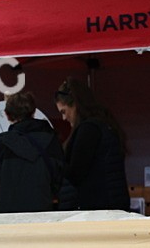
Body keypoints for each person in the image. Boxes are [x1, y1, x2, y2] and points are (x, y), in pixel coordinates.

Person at [0, 91, 63, 213]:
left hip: (6, 219)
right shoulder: (51, 142)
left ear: (7, 115)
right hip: (42, 217)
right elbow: (61, 184)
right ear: (33, 112)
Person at [53, 78, 130, 211]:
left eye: (64, 111)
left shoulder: (88, 130)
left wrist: (55, 161)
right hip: (112, 203)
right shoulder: (105, 125)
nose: (64, 118)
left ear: (75, 105)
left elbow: (76, 173)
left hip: (98, 206)